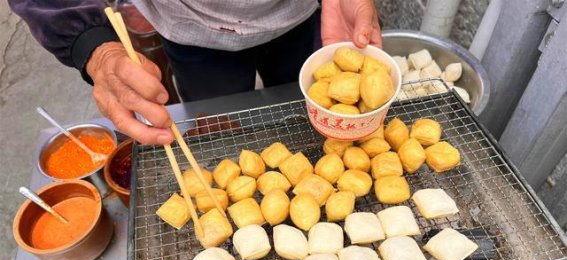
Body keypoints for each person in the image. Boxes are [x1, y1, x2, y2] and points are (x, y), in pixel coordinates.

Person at [10, 0, 382, 145]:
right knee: (216, 130)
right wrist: (91, 43)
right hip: (191, 28)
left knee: (305, 120)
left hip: (304, 16)